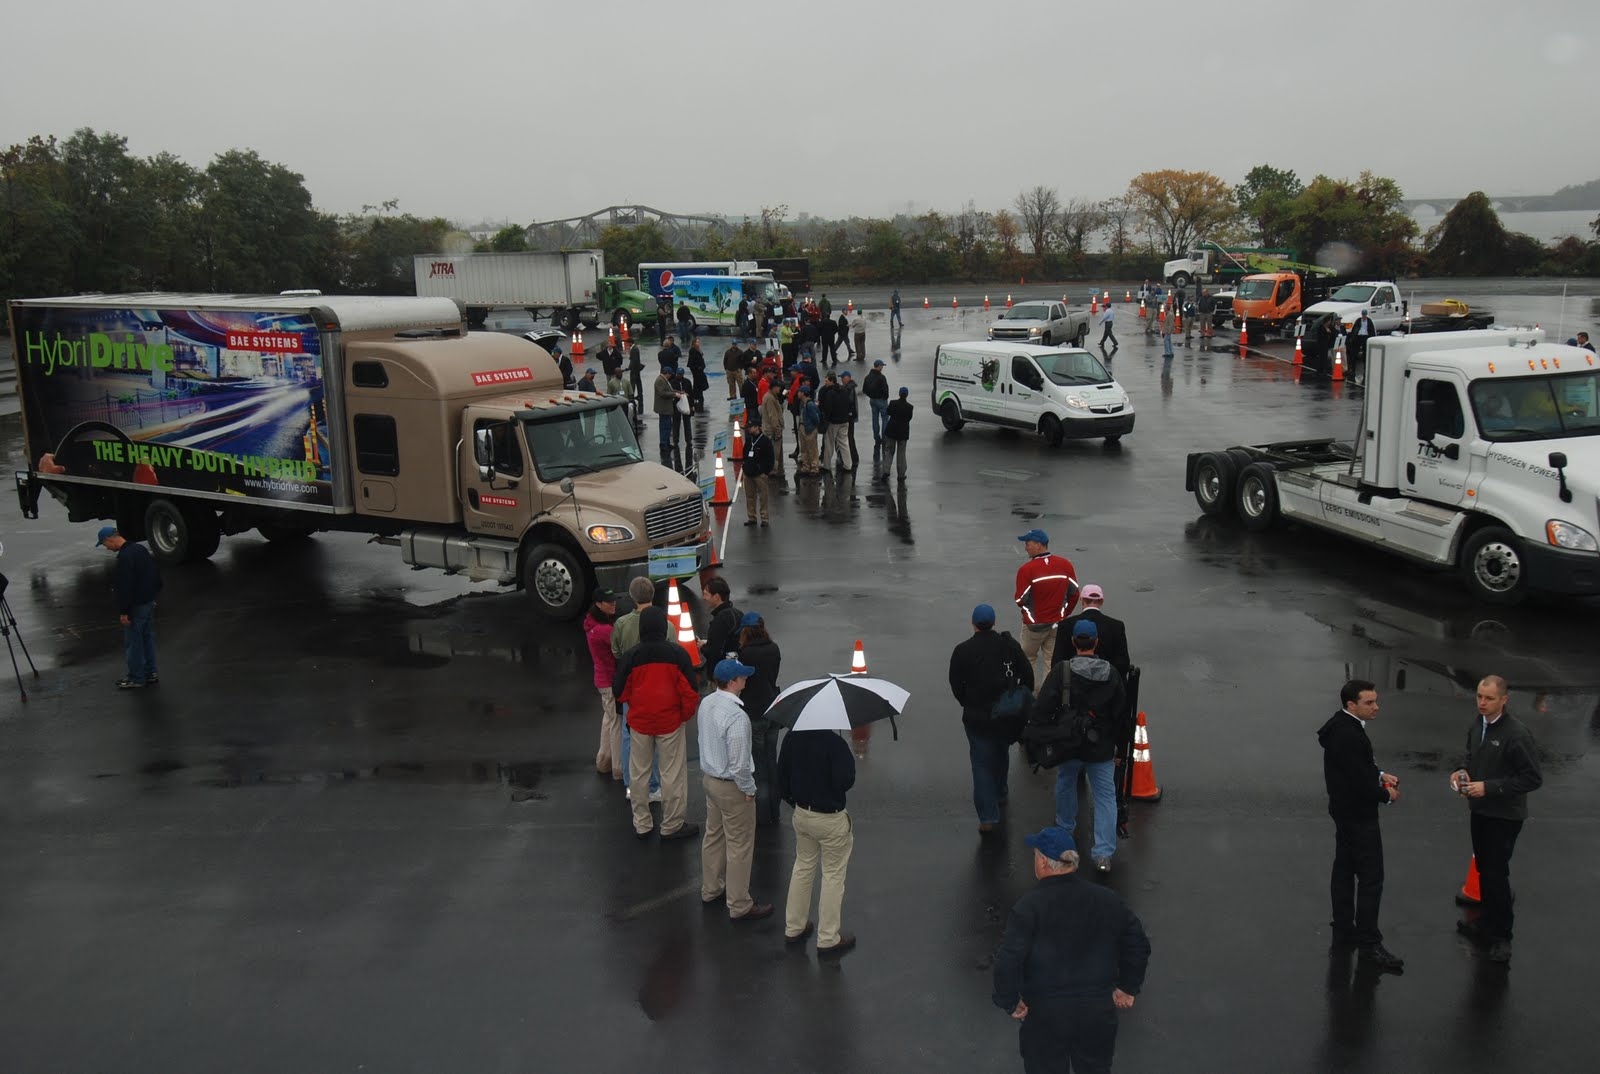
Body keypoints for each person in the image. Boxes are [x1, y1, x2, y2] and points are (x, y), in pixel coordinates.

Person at [992, 826, 1151, 1074]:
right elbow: (1137, 943)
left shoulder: (1028, 907)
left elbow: (1008, 960)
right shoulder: (1107, 899)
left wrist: (1010, 1001)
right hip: (1096, 1012)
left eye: (1035, 855)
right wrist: (1128, 986)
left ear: (1044, 862)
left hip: (1045, 1015)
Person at [1451, 675, 1542, 963]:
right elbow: (1471, 756)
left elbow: (1531, 778)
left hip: (1504, 817)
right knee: (1484, 872)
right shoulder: (1478, 724)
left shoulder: (1517, 734)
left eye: (1489, 698)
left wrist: (1488, 787)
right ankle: (1485, 923)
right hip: (1480, 812)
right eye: (1479, 696)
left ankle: (1502, 937)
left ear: (1504, 700)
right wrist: (1462, 772)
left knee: (1496, 874)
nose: (1482, 702)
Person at [1318, 680, 1405, 973]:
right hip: (1359, 817)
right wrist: (1386, 795)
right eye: (1369, 702)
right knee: (1371, 879)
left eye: (1375, 701)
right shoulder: (1350, 735)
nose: (1376, 707)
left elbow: (1356, 768)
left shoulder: (1340, 727)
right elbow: (1357, 782)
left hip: (1343, 813)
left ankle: (1343, 923)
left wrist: (1379, 774)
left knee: (1344, 868)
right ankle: (1370, 944)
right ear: (1351, 704)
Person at [1036, 620, 1126, 874]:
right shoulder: (1111, 674)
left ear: (1073, 643)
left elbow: (1044, 706)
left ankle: (1065, 830)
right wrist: (1118, 747)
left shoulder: (1062, 672)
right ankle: (1103, 854)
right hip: (1102, 747)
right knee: (1105, 796)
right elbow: (1120, 713)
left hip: (1070, 743)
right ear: (1096, 642)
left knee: (1065, 782)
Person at [697, 658, 774, 921]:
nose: (746, 679)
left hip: (710, 781)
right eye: (742, 676)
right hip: (732, 788)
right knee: (740, 845)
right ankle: (739, 903)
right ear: (732, 682)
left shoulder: (706, 703)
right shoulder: (737, 717)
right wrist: (749, 789)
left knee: (714, 836)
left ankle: (711, 888)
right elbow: (740, 763)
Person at [615, 607, 701, 841]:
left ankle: (642, 823)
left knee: (639, 774)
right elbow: (691, 692)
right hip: (669, 722)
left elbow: (619, 691)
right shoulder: (677, 654)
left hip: (640, 723)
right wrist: (683, 715)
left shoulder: (631, 656)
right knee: (671, 775)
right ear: (664, 627)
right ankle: (671, 824)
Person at [949, 603, 1033, 833]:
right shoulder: (1008, 646)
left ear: (973, 624)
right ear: (993, 622)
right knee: (1001, 751)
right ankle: (1001, 791)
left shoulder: (962, 650)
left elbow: (956, 685)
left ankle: (987, 817)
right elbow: (1027, 675)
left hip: (976, 718)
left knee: (981, 764)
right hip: (1005, 716)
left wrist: (966, 702)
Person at [779, 723, 858, 956]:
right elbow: (845, 782)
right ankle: (827, 937)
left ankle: (794, 926)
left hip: (802, 814)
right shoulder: (835, 744)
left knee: (803, 866)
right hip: (830, 819)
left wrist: (794, 801)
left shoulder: (792, 738)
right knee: (833, 875)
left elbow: (781, 777)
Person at [611, 576, 661, 803]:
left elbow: (616, 652)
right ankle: (655, 785)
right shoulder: (665, 622)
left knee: (628, 737)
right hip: (658, 687)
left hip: (632, 687)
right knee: (658, 736)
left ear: (632, 596)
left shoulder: (621, 623)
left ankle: (631, 786)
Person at [97, 526, 161, 689]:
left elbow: (126, 587)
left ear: (109, 539)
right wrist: (152, 596)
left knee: (133, 642)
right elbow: (154, 575)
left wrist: (124, 611)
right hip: (147, 602)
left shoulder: (124, 558)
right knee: (147, 639)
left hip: (135, 607)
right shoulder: (140, 549)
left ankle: (136, 678)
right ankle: (151, 673)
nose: (106, 548)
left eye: (105, 544)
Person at [1013, 529, 1079, 684]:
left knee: (1028, 660)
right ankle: (1047, 697)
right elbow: (1074, 594)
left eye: (1027, 543)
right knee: (1051, 662)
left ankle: (1032, 695)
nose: (1025, 547)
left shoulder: (1026, 570)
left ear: (1038, 545)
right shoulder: (1065, 565)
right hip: (1056, 624)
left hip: (1034, 626)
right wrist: (1064, 614)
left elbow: (1020, 599)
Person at [736, 612, 782, 824]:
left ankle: (761, 814)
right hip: (773, 710)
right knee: (771, 761)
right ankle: (775, 809)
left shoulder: (745, 655)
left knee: (759, 766)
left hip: (754, 714)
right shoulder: (773, 649)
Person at [583, 589, 622, 781]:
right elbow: (620, 649)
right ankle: (618, 768)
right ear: (599, 604)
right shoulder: (605, 631)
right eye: (608, 601)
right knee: (616, 723)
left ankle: (604, 762)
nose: (613, 603)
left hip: (602, 680)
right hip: (610, 681)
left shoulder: (593, 625)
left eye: (613, 600)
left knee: (609, 719)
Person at [1060, 585, 1130, 681]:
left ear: (1082, 600)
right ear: (1101, 601)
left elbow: (1058, 662)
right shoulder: (1117, 626)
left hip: (1074, 684)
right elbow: (1123, 664)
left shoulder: (1066, 625)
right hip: (1106, 687)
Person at [702, 576, 743, 670]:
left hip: (724, 671)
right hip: (738, 667)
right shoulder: (738, 614)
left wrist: (703, 647)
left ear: (716, 596)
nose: (704, 598)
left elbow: (714, 652)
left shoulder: (720, 620)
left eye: (706, 594)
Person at [742, 414, 775, 527]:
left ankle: (764, 518)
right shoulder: (749, 439)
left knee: (763, 496)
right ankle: (752, 517)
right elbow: (744, 453)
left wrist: (765, 471)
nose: (749, 429)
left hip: (760, 474)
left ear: (757, 427)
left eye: (751, 427)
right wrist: (745, 466)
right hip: (748, 473)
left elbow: (771, 458)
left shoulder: (765, 441)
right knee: (750, 496)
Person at [818, 371, 852, 472]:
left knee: (829, 444)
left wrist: (825, 419)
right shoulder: (844, 390)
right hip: (844, 421)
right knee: (844, 443)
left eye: (827, 380)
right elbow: (849, 403)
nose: (825, 382)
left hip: (833, 422)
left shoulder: (829, 393)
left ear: (832, 381)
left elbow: (828, 408)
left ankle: (827, 465)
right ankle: (848, 465)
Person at [882, 385, 912, 482]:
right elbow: (909, 418)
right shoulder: (910, 407)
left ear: (899, 394)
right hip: (903, 432)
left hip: (891, 430)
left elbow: (888, 412)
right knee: (901, 453)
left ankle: (886, 470)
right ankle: (901, 474)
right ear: (907, 395)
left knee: (889, 451)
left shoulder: (893, 403)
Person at [759, 378, 787, 480]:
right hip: (772, 430)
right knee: (774, 451)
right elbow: (773, 416)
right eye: (778, 387)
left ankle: (775, 469)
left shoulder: (770, 396)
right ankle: (772, 471)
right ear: (774, 387)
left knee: (774, 451)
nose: (779, 389)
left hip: (768, 428)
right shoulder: (770, 398)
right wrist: (777, 430)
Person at [863, 360, 890, 445]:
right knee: (885, 419)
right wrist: (885, 397)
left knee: (875, 419)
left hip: (872, 400)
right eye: (882, 366)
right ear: (878, 366)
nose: (882, 367)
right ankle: (885, 438)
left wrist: (871, 396)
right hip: (881, 400)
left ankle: (876, 437)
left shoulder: (867, 377)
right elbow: (885, 390)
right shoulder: (881, 377)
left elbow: (864, 390)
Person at [796, 386, 822, 476]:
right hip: (803, 427)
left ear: (803, 393)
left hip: (809, 428)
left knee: (812, 449)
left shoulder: (809, 404)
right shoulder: (803, 403)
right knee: (804, 448)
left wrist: (811, 427)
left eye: (799, 392)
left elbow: (816, 417)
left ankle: (814, 467)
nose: (798, 393)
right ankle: (806, 466)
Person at [838, 368, 861, 470]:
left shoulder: (849, 388)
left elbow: (849, 401)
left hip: (849, 417)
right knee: (850, 437)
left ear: (848, 378)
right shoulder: (850, 387)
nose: (842, 380)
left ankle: (853, 457)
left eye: (843, 378)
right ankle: (854, 457)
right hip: (851, 416)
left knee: (849, 437)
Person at [652, 366, 677, 451]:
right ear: (666, 373)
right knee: (664, 426)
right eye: (669, 374)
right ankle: (663, 444)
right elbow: (662, 393)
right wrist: (674, 394)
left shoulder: (663, 380)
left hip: (666, 408)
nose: (670, 376)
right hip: (663, 408)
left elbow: (668, 390)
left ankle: (666, 442)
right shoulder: (660, 381)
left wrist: (677, 392)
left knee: (668, 426)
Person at [685, 338, 708, 413]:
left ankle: (699, 396)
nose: (698, 343)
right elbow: (692, 362)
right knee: (697, 384)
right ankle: (697, 397)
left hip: (700, 370)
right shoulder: (692, 351)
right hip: (697, 371)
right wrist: (697, 368)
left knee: (700, 383)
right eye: (697, 342)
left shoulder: (698, 350)